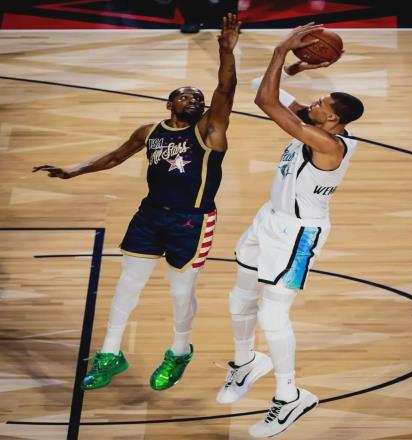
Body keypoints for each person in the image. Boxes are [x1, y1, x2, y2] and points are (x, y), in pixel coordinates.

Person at [33, 13, 241, 391]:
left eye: (198, 96)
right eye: (185, 95)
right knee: (127, 285)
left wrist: (227, 52)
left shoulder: (210, 130)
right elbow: (115, 156)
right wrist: (74, 170)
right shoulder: (150, 131)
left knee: (181, 293)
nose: (194, 99)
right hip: (148, 216)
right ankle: (110, 353)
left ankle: (179, 352)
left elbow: (225, 90)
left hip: (191, 222)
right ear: (169, 103)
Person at [216, 23, 364, 438]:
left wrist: (282, 50)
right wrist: (293, 68)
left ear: (331, 119)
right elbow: (262, 88)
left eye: (320, 103)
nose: (311, 102)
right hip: (268, 218)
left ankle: (290, 397)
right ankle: (246, 363)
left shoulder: (327, 145)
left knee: (272, 314)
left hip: (298, 235)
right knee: (240, 297)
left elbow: (266, 101)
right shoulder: (319, 126)